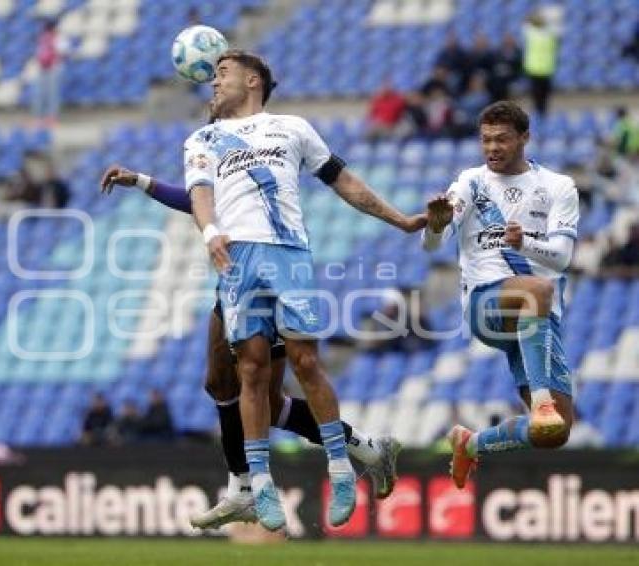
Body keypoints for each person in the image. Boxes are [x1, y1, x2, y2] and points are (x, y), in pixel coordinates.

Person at [184, 49, 425, 531]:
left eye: (223, 73)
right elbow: (198, 193)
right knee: (249, 370)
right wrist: (210, 231)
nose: (214, 81)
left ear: (253, 80)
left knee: (306, 361)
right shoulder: (202, 138)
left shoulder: (292, 128)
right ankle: (259, 483)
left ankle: (341, 469)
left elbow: (343, 181)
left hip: (288, 253)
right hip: (238, 258)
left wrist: (399, 219)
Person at [99, 162, 402, 529]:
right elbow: (197, 201)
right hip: (233, 284)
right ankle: (252, 485)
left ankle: (349, 456)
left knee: (264, 400)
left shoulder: (257, 167)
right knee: (221, 386)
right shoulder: (223, 167)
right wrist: (142, 181)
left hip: (268, 282)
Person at [422, 101, 579, 489]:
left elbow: (562, 257)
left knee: (555, 432)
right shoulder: (470, 182)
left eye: (502, 139)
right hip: (485, 303)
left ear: (525, 138)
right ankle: (541, 402)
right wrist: (435, 226)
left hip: (538, 318)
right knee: (536, 290)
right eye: (486, 140)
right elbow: (431, 244)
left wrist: (524, 244)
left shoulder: (558, 186)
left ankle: (471, 444)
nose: (492, 147)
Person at [522, 12, 559, 115]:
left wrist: (533, 17)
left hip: (538, 69)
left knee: (539, 97)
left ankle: (540, 115)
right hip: (543, 69)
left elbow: (525, 23)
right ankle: (540, 114)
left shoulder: (531, 33)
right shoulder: (550, 34)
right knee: (542, 97)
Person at [32, 20, 68, 125]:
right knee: (48, 94)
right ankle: (46, 117)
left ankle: (45, 117)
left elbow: (39, 53)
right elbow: (64, 53)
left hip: (49, 68)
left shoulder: (46, 39)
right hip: (49, 68)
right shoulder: (55, 38)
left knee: (46, 94)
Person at [488, 34, 522, 102]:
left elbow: (519, 70)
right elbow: (493, 67)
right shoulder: (497, 53)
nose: (508, 42)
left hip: (512, 78)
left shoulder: (518, 54)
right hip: (498, 79)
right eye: (506, 40)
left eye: (510, 40)